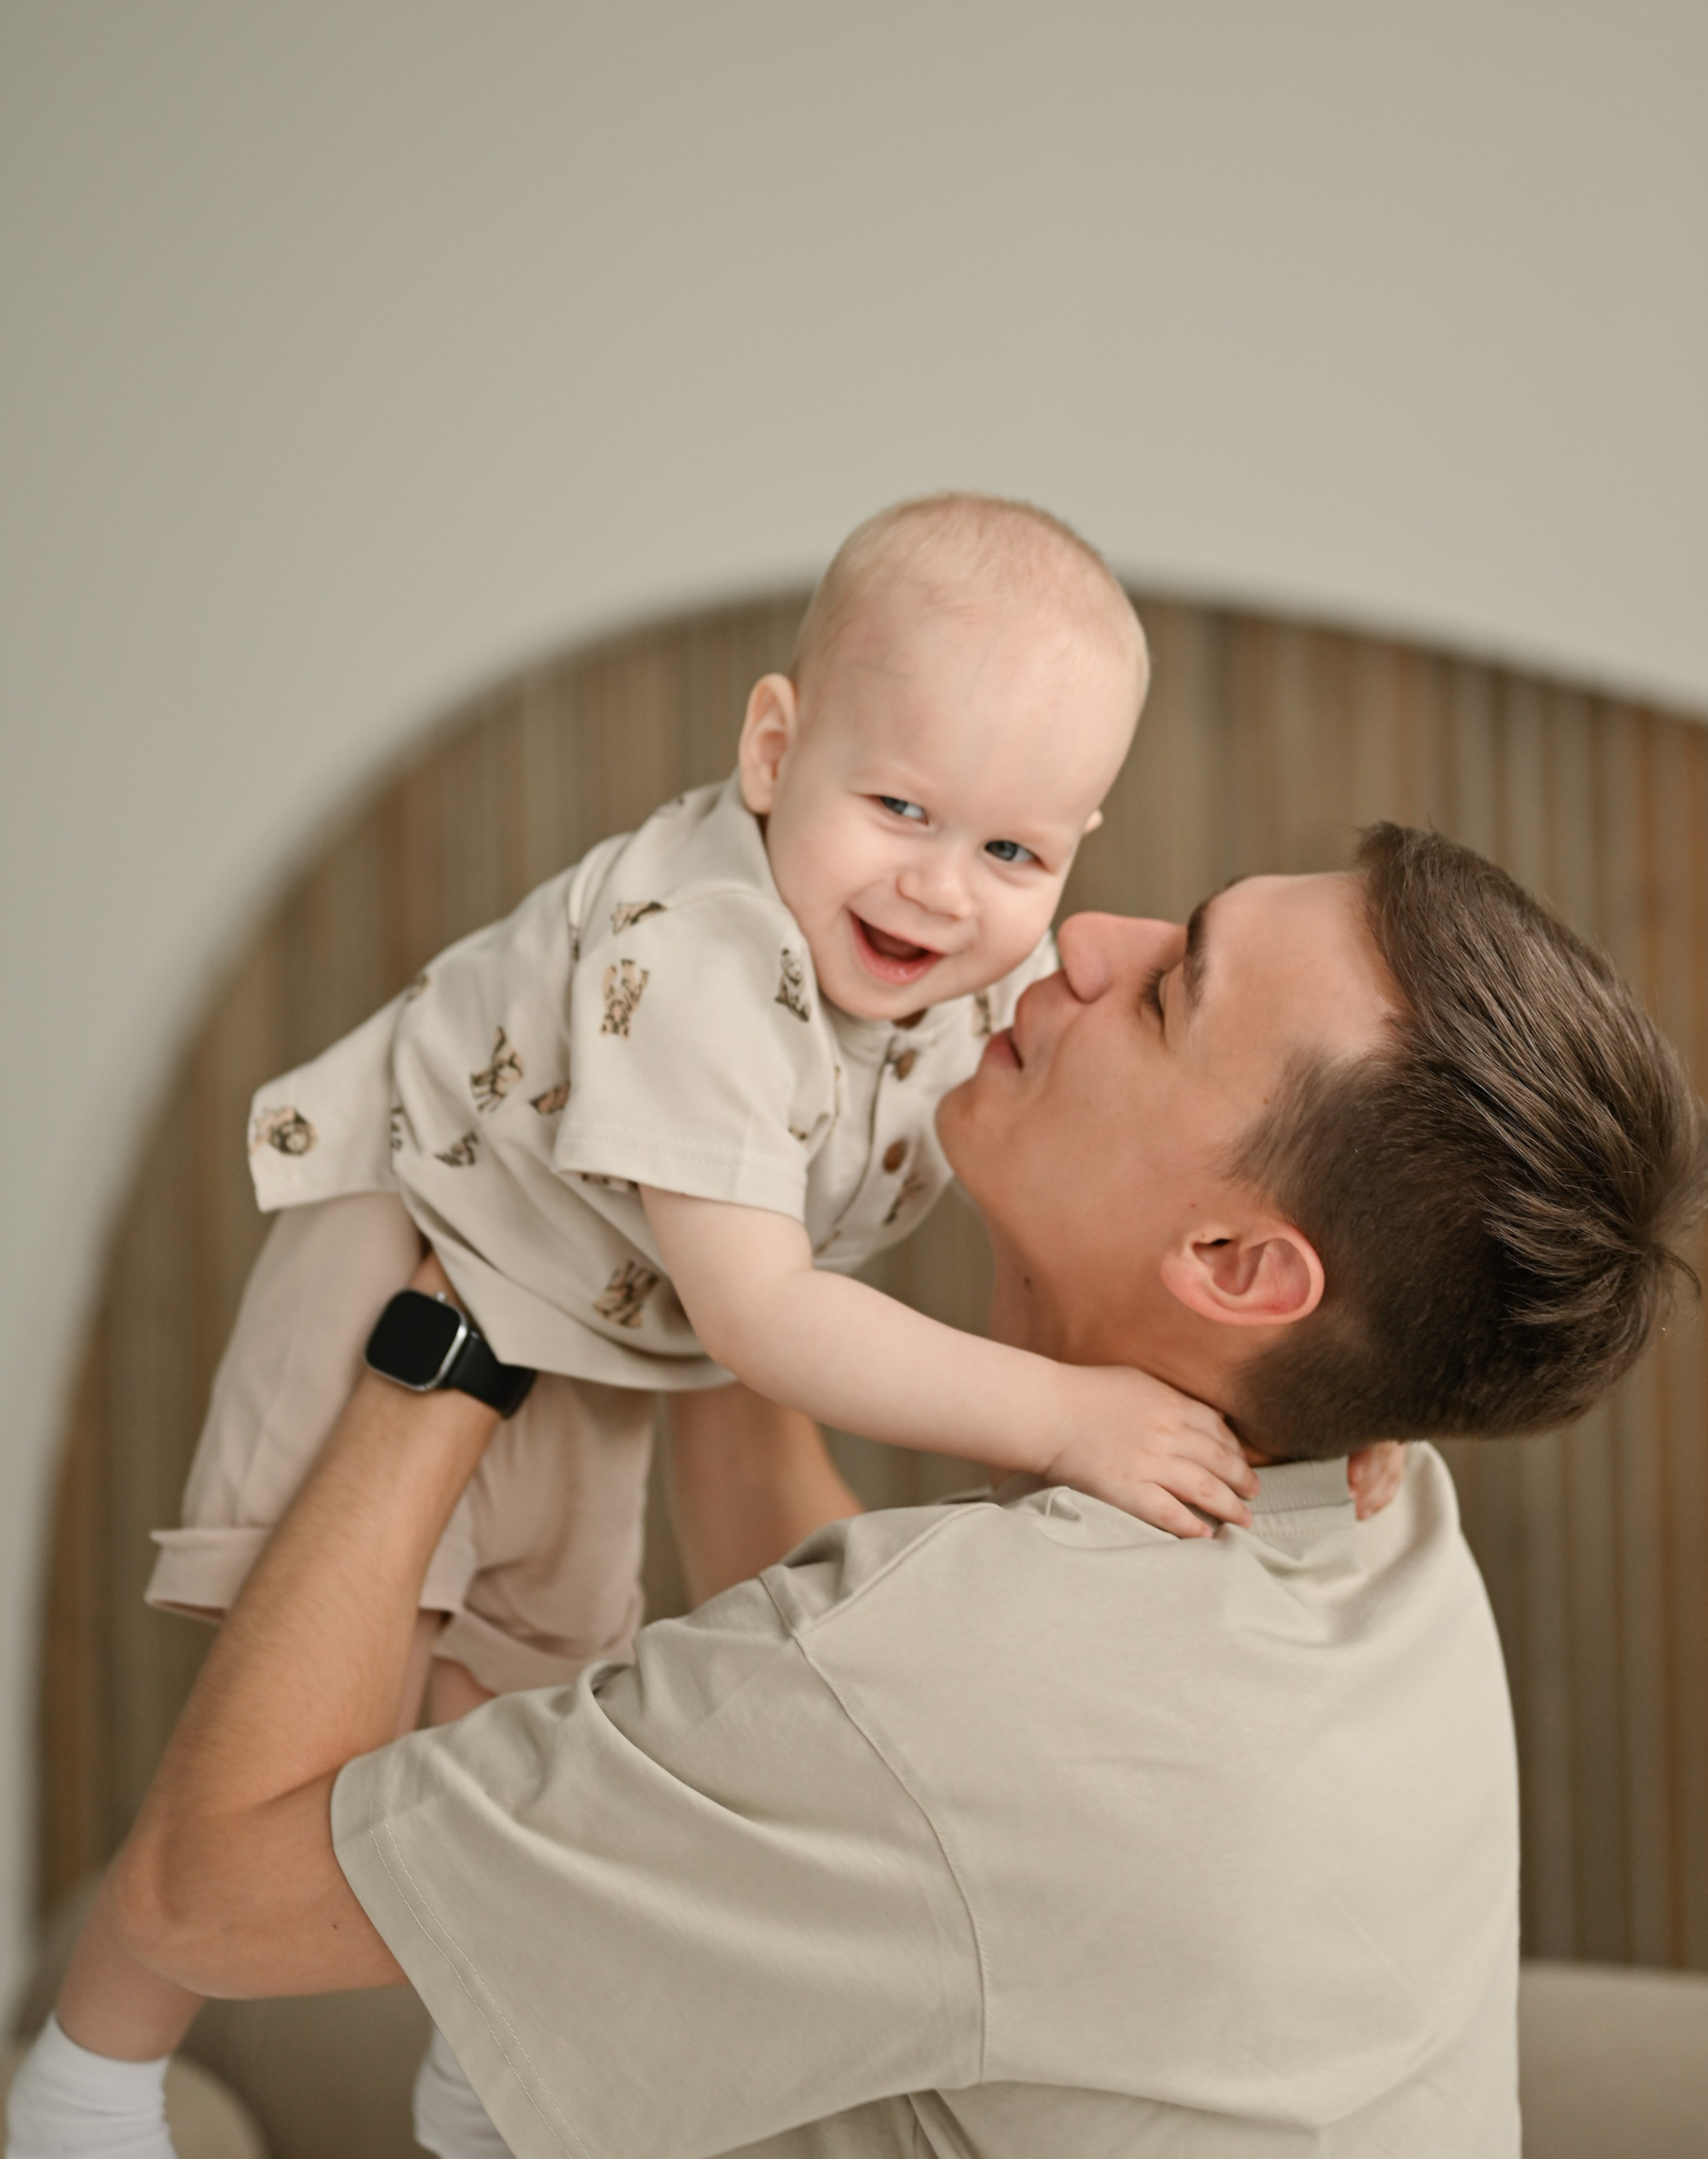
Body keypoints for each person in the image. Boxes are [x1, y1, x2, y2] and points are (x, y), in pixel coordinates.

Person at [17, 823, 1702, 2157]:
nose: (1081, 938)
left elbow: (203, 1895)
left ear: (1239, 1264)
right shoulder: (1382, 1501)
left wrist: (472, 1304)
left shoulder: (973, 1683)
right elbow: (871, 1733)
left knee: (125, 1937)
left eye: (1169, 990)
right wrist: (725, 1202)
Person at [15, 496, 1289, 2159]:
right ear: (772, 747)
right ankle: (89, 2072)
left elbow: (1075, 1184)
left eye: (1011, 850)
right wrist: (1065, 1416)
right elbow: (759, 1315)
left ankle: (491, 2053)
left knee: (516, 1714)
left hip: (591, 1328)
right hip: (423, 1240)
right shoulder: (694, 958)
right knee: (309, 1721)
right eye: (897, 804)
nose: (940, 886)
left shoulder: (978, 963)